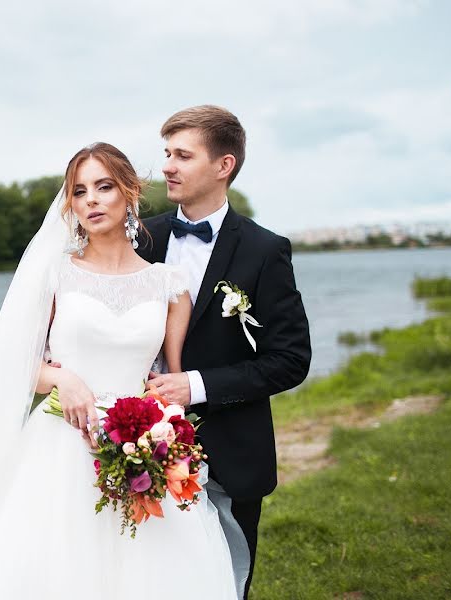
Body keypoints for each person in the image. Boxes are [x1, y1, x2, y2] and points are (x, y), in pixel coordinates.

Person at [0, 142, 242, 599]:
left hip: (138, 447)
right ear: (70, 204)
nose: (91, 200)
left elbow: (167, 382)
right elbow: (12, 368)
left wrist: (160, 438)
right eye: (79, 191)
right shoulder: (55, 274)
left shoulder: (169, 286)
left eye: (104, 187)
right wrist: (63, 379)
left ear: (130, 193)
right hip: (57, 446)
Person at [138, 105, 312, 599]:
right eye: (167, 153)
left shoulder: (265, 250)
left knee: (224, 584)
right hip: (135, 450)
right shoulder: (138, 238)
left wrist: (193, 386)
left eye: (183, 155)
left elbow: (291, 359)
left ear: (223, 165)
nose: (168, 166)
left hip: (231, 455)